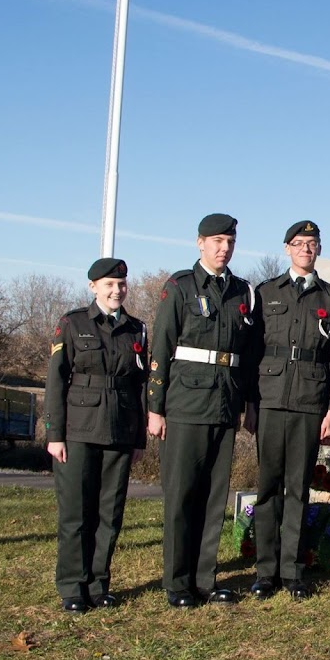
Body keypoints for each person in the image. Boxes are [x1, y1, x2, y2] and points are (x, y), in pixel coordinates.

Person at [147, 213, 256, 608]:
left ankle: (204, 580)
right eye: (216, 241)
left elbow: (246, 354)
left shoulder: (242, 292)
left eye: (229, 241)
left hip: (224, 405)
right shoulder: (179, 287)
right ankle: (177, 583)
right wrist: (155, 408)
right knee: (181, 496)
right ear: (200, 243)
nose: (223, 248)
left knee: (213, 498)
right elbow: (160, 350)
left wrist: (244, 404)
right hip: (185, 404)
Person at [246, 220, 330, 601]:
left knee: (299, 489)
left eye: (312, 243)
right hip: (270, 400)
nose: (306, 249)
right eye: (299, 243)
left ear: (319, 249)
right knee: (268, 487)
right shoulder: (266, 292)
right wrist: (251, 405)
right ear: (287, 248)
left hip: (309, 402)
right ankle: (265, 571)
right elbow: (252, 352)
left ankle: (292, 571)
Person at [43, 258, 147, 612]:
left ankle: (99, 584)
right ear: (93, 287)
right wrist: (54, 434)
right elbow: (56, 382)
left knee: (109, 513)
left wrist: (138, 440)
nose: (116, 290)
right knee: (76, 513)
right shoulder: (72, 324)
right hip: (77, 431)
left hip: (119, 431)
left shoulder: (136, 329)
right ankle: (73, 587)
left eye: (121, 285)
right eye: (109, 285)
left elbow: (139, 387)